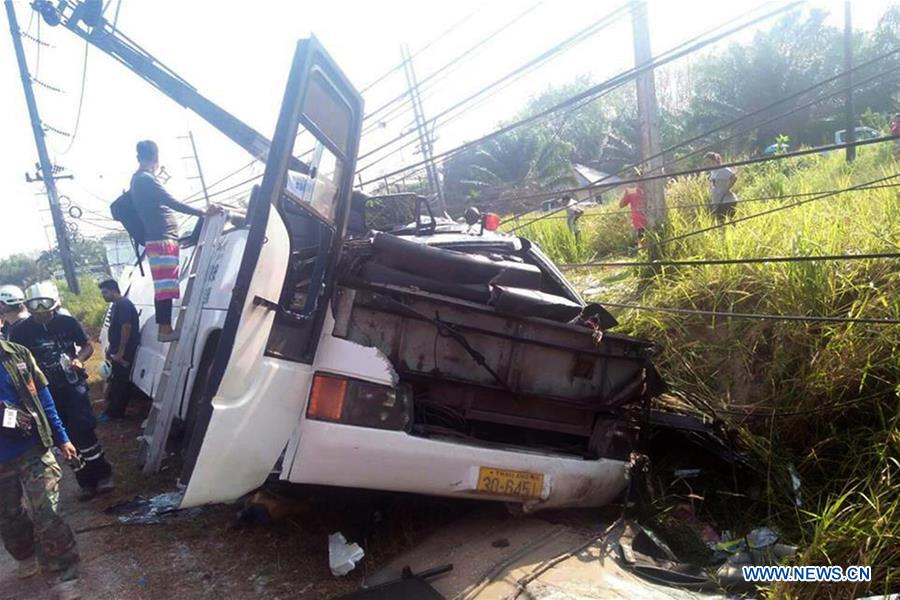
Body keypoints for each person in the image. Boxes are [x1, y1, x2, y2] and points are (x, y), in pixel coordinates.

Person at [10, 281, 114, 501]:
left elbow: (87, 345)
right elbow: (14, 359)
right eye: (36, 310)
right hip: (43, 392)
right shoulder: (20, 331)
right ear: (28, 307)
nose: (41, 316)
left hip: (72, 385)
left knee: (83, 431)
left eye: (46, 310)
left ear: (54, 305)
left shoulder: (67, 323)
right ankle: (85, 482)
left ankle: (103, 476)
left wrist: (78, 360)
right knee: (62, 437)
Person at [0, 338, 82, 599]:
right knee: (9, 517)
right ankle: (25, 554)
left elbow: (44, 399)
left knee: (47, 510)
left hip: (33, 448)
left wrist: (62, 437)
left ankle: (64, 575)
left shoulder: (19, 354)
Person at [130, 140, 220, 342]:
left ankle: (165, 328)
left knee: (165, 285)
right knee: (165, 286)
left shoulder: (140, 179)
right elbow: (171, 201)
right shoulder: (145, 179)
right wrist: (202, 212)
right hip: (162, 239)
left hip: (160, 239)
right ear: (155, 157)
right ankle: (165, 330)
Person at [96, 280, 139, 421]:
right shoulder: (116, 305)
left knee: (121, 382)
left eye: (105, 292)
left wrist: (121, 351)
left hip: (125, 350)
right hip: (117, 347)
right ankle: (111, 409)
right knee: (115, 379)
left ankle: (115, 413)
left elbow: (126, 327)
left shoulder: (123, 304)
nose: (103, 295)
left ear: (114, 290)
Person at [704, 152, 738, 224]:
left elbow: (734, 177)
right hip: (718, 200)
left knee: (731, 221)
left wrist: (727, 188)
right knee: (720, 222)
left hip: (727, 201)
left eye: (708, 162)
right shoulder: (713, 171)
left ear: (715, 161)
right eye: (706, 163)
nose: (707, 164)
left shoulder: (724, 169)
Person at [618, 167, 648, 243]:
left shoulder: (651, 191)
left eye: (640, 178)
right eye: (636, 178)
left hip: (651, 222)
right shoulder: (631, 192)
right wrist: (626, 193)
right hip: (639, 225)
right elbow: (621, 205)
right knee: (642, 245)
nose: (639, 181)